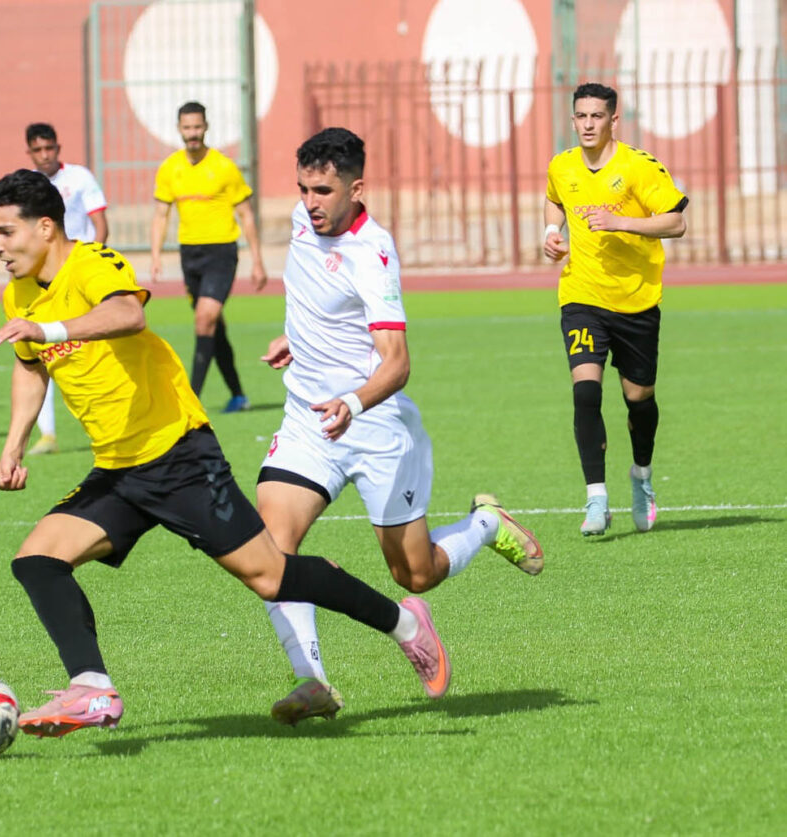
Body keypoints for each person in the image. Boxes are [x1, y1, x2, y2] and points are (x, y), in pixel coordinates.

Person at [0, 169, 449, 738]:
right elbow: (31, 368)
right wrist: (14, 446)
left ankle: (404, 624)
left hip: (179, 457)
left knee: (271, 577)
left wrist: (48, 323)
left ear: (46, 226)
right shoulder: (20, 294)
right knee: (37, 560)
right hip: (118, 470)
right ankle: (93, 689)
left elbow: (129, 314)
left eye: (6, 232)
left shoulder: (92, 264)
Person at [256, 128, 544, 725]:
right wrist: (302, 341)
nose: (310, 201)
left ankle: (486, 524)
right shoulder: (301, 220)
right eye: (304, 187)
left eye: (324, 190)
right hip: (309, 421)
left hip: (375, 424)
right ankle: (311, 680)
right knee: (269, 552)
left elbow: (397, 363)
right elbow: (316, 296)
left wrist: (352, 403)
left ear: (357, 189)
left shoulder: (374, 253)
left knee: (415, 572)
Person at [544, 83, 688, 535]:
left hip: (637, 301)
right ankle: (596, 499)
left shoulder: (638, 167)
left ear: (613, 121)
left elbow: (677, 221)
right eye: (581, 116)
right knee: (586, 392)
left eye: (596, 117)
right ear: (573, 120)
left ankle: (642, 477)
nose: (588, 124)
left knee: (638, 398)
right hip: (582, 297)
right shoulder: (562, 166)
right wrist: (550, 232)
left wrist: (621, 221)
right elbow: (554, 200)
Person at [150, 101, 267, 412]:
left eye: (197, 127)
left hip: (221, 252)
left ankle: (190, 400)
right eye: (187, 128)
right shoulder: (170, 168)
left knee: (204, 319)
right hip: (190, 255)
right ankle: (238, 395)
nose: (193, 134)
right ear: (179, 129)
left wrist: (257, 260)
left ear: (206, 127)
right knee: (213, 326)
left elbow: (247, 214)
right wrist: (156, 255)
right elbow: (161, 214)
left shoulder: (224, 167)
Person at [23, 122, 109, 456]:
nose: (45, 155)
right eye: (38, 150)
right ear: (30, 152)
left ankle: (105, 426)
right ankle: (48, 434)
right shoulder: (27, 185)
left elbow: (100, 224)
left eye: (50, 149)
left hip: (80, 276)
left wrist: (91, 266)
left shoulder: (80, 178)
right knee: (41, 355)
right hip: (44, 281)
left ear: (59, 148)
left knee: (92, 353)